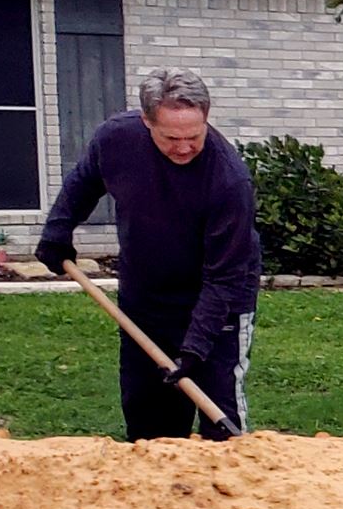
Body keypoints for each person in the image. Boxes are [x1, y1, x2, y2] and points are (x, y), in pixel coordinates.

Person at [37, 70, 261, 441]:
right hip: (146, 300)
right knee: (149, 422)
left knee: (221, 424)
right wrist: (58, 230)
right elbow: (86, 178)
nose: (185, 147)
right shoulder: (117, 139)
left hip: (220, 308)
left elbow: (224, 276)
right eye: (172, 137)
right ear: (146, 121)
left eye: (195, 136)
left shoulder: (228, 181)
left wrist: (194, 349)